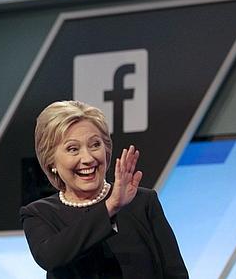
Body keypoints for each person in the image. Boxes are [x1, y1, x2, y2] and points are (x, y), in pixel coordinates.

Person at [20, 100, 188, 278]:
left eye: (95, 145)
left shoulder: (142, 202)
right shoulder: (39, 214)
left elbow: (175, 273)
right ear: (50, 161)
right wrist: (110, 207)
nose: (88, 158)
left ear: (107, 149)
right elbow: (50, 257)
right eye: (73, 149)